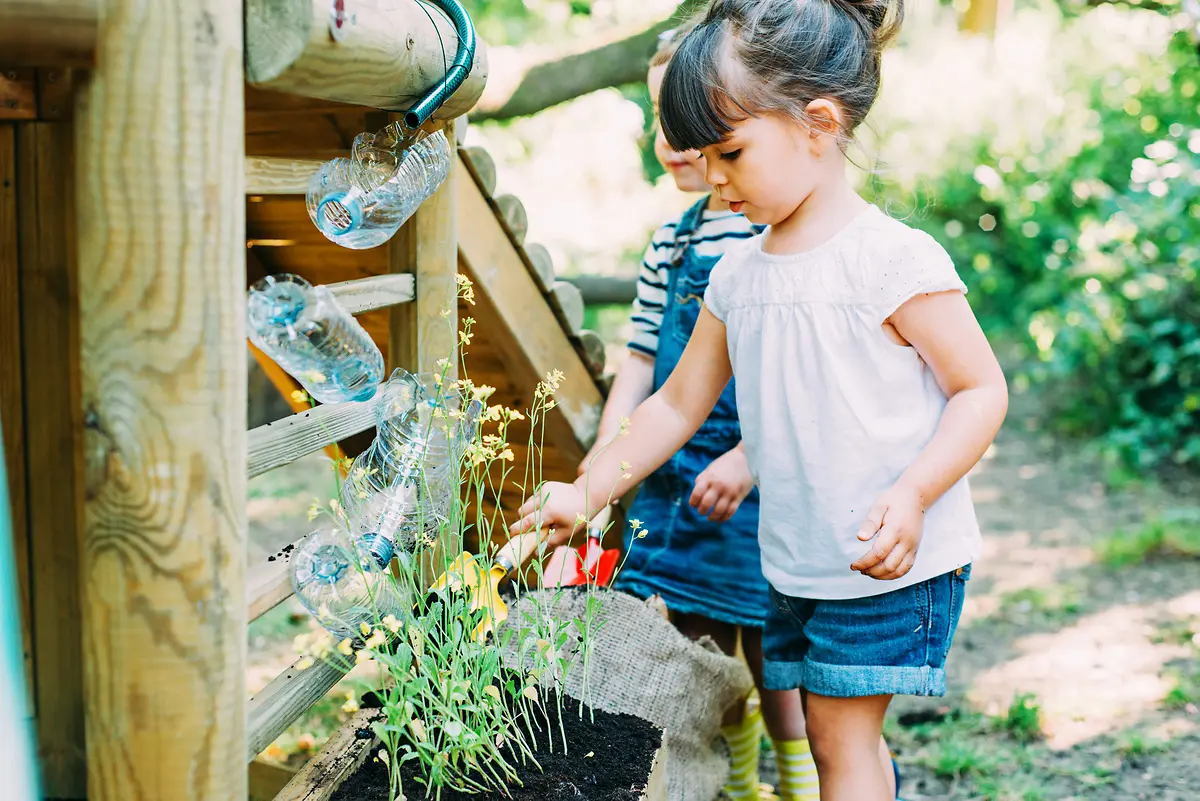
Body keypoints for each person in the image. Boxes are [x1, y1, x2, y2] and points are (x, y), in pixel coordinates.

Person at [516, 0, 1009, 798]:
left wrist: (916, 494)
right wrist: (588, 488)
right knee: (824, 731)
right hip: (798, 558)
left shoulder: (890, 260)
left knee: (838, 736)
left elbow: (979, 389)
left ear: (817, 123)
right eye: (701, 155)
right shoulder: (737, 276)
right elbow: (674, 405)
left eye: (730, 151)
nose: (711, 175)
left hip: (889, 557)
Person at [580, 23, 830, 801]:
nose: (679, 143)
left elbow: (809, 375)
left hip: (767, 479)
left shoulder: (783, 228)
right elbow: (646, 366)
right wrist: (605, 459)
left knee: (772, 654)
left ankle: (794, 782)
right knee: (691, 643)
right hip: (676, 477)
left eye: (698, 126)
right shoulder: (671, 242)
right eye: (664, 122)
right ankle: (737, 778)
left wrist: (752, 454)